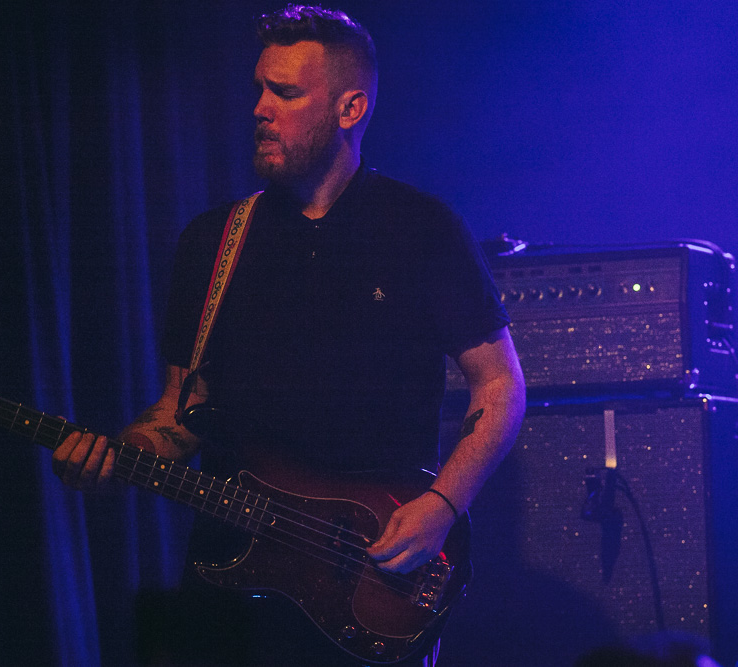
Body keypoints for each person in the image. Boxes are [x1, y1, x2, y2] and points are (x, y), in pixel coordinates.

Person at [53, 5, 525, 665]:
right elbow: (180, 413)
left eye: (286, 92)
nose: (259, 108)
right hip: (230, 587)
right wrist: (119, 456)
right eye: (259, 88)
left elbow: (500, 384)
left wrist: (442, 504)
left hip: (368, 578)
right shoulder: (212, 243)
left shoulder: (420, 230)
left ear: (349, 108)